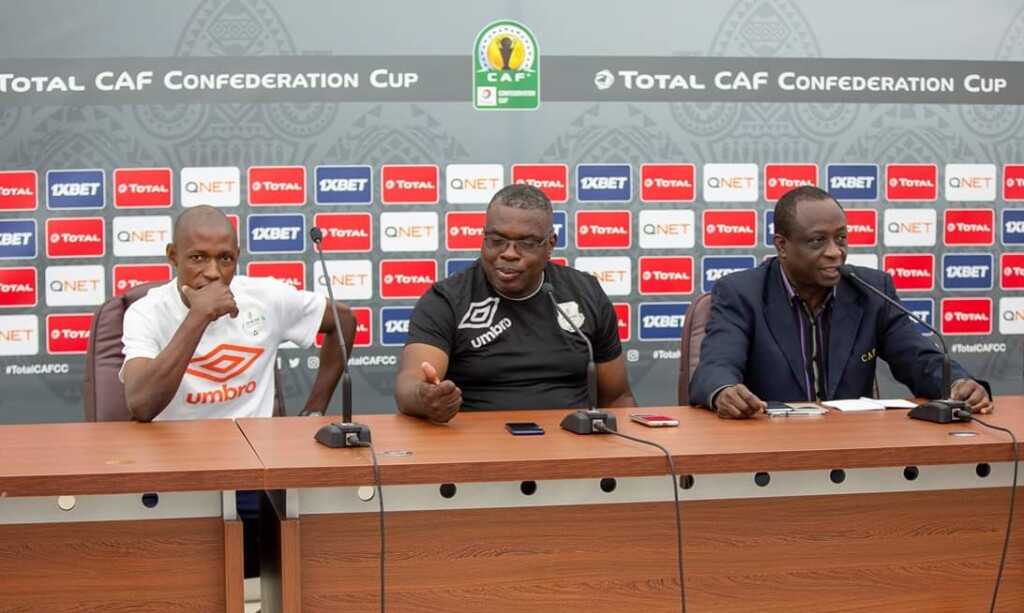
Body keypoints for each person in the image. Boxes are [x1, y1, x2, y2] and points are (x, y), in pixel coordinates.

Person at [688, 185, 993, 419]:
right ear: (782, 246)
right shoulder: (742, 293)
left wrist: (959, 384)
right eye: (817, 241)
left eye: (841, 238)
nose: (835, 252)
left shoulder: (871, 290)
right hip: (769, 445)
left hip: (853, 442)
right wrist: (724, 391)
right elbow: (716, 367)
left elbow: (920, 360)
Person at [394, 183, 636, 423]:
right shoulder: (447, 299)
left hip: (571, 439)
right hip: (477, 441)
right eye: (496, 240)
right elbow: (409, 382)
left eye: (527, 243)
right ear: (484, 236)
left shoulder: (586, 293)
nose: (509, 253)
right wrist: (424, 397)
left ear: (550, 245)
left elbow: (617, 398)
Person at [121, 204, 355, 421]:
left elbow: (343, 320)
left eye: (225, 258)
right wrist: (199, 315)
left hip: (254, 445)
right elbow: (142, 406)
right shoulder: (146, 313)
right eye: (198, 258)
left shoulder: (266, 297)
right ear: (173, 255)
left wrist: (314, 410)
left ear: (237, 257)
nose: (213, 272)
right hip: (174, 446)